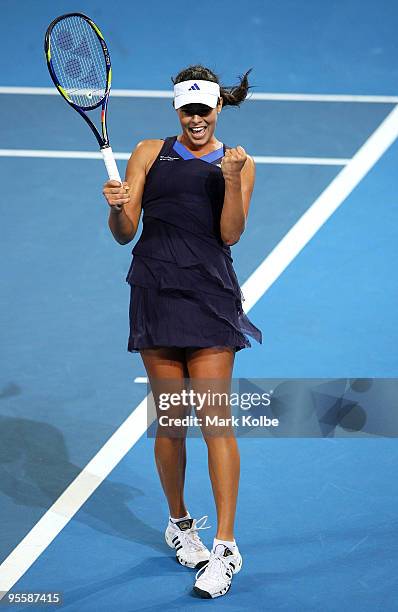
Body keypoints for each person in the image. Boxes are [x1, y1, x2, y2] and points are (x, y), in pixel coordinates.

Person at [102, 65, 262, 599]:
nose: (197, 119)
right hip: (154, 289)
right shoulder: (150, 151)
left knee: (215, 420)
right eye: (188, 110)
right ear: (178, 110)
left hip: (209, 296)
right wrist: (119, 207)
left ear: (219, 109)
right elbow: (124, 235)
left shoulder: (238, 161)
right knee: (171, 420)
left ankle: (225, 546)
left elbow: (230, 233)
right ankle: (179, 523)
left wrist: (233, 179)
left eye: (205, 110)